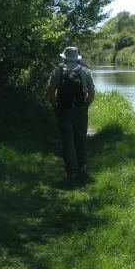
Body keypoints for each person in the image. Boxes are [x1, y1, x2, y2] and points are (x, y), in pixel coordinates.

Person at [46, 46, 95, 180]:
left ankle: (71, 171)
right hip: (80, 109)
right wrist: (86, 107)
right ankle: (82, 166)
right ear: (77, 57)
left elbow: (51, 93)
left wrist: (55, 107)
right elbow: (91, 93)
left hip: (63, 108)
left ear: (64, 57)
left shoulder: (57, 71)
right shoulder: (85, 70)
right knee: (81, 137)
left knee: (67, 140)